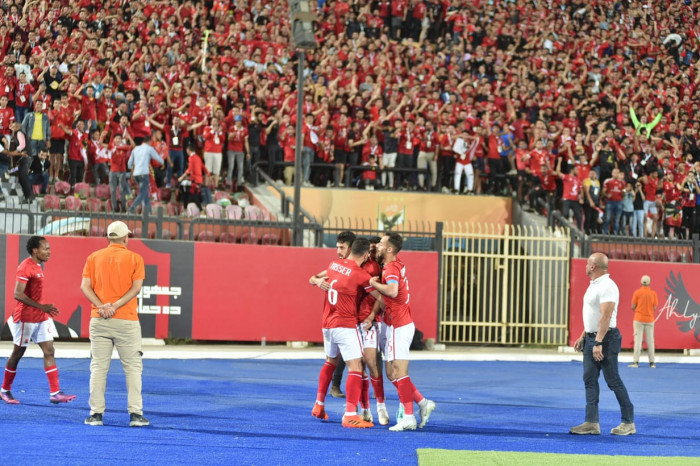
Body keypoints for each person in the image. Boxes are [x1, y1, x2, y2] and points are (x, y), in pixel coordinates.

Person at [80, 221, 149, 427]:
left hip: (99, 318)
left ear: (108, 237)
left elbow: (85, 287)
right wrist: (115, 306)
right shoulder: (135, 258)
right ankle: (135, 415)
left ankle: (96, 414)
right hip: (126, 320)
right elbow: (136, 288)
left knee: (98, 368)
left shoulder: (93, 257)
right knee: (133, 368)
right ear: (126, 237)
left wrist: (102, 306)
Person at [309, 237, 382, 428]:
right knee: (356, 367)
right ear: (365, 255)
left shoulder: (334, 265)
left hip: (327, 324)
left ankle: (319, 404)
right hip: (345, 325)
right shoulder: (360, 274)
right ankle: (350, 415)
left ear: (350, 250)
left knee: (330, 361)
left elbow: (313, 278)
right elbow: (381, 297)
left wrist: (316, 281)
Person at [370, 232, 435, 431]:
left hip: (399, 326)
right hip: (395, 324)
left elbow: (392, 291)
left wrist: (373, 283)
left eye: (381, 244)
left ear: (390, 249)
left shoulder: (390, 268)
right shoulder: (395, 263)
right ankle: (422, 403)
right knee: (392, 373)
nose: (378, 246)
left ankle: (408, 417)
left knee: (399, 372)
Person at [1, 236, 76, 405]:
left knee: (49, 351)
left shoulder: (38, 265)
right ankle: (5, 390)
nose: (49, 252)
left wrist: (42, 309)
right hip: (25, 318)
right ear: (35, 250)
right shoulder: (25, 267)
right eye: (45, 248)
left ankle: (55, 393)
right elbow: (17, 294)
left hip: (41, 317)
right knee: (18, 353)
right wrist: (41, 307)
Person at [570, 252, 635, 436]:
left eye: (587, 263)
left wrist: (598, 341)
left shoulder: (607, 286)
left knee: (613, 380)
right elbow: (594, 315)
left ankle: (628, 422)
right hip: (592, 338)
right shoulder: (594, 285)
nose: (585, 266)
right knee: (589, 379)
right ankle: (591, 422)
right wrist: (584, 334)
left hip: (605, 339)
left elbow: (606, 317)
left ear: (593, 266)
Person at [309, 230, 356, 398]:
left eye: (342, 248)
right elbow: (312, 278)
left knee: (340, 360)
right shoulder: (334, 266)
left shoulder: (356, 268)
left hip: (351, 319)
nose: (338, 251)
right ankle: (357, 403)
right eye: (337, 247)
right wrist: (318, 281)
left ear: (351, 248)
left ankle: (322, 400)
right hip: (340, 321)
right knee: (353, 363)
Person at [127, 136, 164, 215]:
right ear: (149, 141)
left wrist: (132, 168)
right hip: (144, 174)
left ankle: (149, 212)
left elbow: (129, 164)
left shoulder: (135, 149)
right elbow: (157, 158)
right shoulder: (149, 149)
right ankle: (132, 208)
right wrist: (163, 162)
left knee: (145, 193)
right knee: (143, 193)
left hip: (136, 174)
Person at [629, 275, 658, 368]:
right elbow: (655, 307)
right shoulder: (653, 293)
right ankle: (652, 362)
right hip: (650, 319)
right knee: (650, 341)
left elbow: (633, 306)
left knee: (637, 341)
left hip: (638, 319)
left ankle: (636, 362)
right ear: (649, 282)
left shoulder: (637, 292)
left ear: (641, 282)